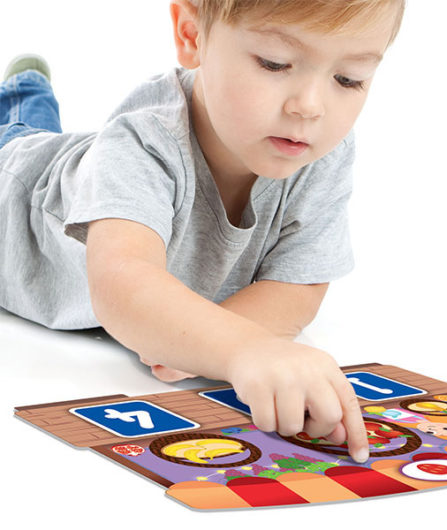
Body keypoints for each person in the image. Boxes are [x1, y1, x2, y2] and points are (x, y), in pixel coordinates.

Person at [0, 0, 405, 463]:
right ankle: (25, 88)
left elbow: (300, 282)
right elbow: (122, 283)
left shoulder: (319, 152)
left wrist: (194, 342)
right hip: (13, 190)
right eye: (275, 63)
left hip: (81, 166)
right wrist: (243, 349)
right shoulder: (143, 139)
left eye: (348, 78)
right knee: (16, 133)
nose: (310, 107)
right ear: (192, 35)